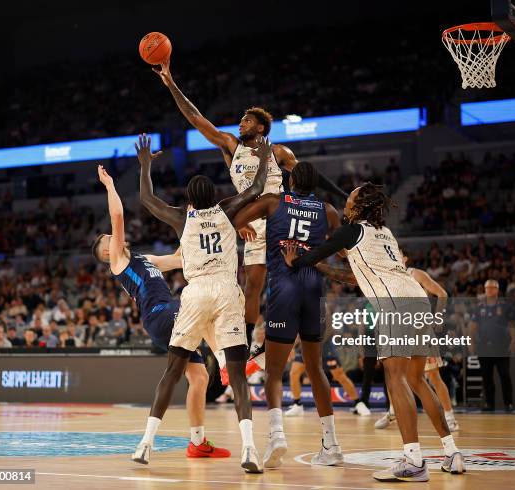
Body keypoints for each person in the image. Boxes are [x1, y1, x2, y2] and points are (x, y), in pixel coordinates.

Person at [152, 61, 347, 353]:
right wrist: (171, 84)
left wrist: (340, 195)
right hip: (253, 220)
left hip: (283, 214)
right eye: (241, 120)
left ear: (260, 126)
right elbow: (196, 118)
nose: (240, 123)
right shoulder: (231, 145)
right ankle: (245, 342)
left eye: (246, 120)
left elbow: (309, 177)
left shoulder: (280, 152)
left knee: (296, 277)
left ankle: (353, 268)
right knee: (253, 285)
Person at [282, 182, 465, 481]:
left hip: (394, 304)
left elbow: (313, 257)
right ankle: (452, 452)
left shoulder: (351, 232)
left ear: (358, 206)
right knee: (418, 380)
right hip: (417, 300)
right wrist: (327, 266)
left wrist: (296, 261)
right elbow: (355, 277)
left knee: (396, 380)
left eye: (351, 198)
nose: (346, 202)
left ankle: (413, 460)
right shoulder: (385, 234)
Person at [138, 133, 271, 473]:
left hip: (195, 293)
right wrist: (265, 155)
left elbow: (147, 199)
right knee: (237, 376)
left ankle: (145, 444)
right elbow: (256, 189)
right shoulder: (227, 211)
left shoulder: (183, 218)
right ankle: (250, 450)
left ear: (190, 200)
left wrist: (145, 165)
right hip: (226, 291)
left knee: (172, 371)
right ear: (214, 195)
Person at [91, 163, 230, 464]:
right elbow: (117, 216)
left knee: (198, 377)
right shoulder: (118, 262)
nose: (112, 238)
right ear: (106, 253)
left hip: (166, 319)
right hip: (160, 314)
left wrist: (196, 218)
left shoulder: (144, 259)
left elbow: (182, 258)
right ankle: (225, 361)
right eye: (107, 240)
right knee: (200, 301)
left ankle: (190, 443)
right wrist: (110, 185)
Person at [232, 161, 343, 468]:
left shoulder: (273, 201)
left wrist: (243, 225)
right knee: (315, 368)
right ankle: (331, 444)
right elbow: (344, 247)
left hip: (284, 290)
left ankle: (277, 435)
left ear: (291, 181)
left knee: (274, 371)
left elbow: (235, 218)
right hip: (313, 293)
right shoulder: (329, 211)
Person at [375, 249, 460, 431]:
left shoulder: (416, 274)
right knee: (393, 374)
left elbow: (442, 294)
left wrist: (438, 318)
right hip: (399, 331)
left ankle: (450, 416)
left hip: (420, 331)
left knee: (433, 376)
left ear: (405, 258)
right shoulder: (390, 278)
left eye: (397, 253)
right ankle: (393, 412)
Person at [469, 279, 515, 412]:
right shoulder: (479, 307)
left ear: (497, 290)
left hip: (501, 346)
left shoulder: (505, 306)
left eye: (492, 288)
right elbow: (473, 327)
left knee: (505, 375)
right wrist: (471, 341)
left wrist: (514, 341)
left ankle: (509, 403)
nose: (489, 290)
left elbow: (512, 325)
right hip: (484, 347)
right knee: (486, 376)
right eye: (487, 288)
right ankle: (489, 404)